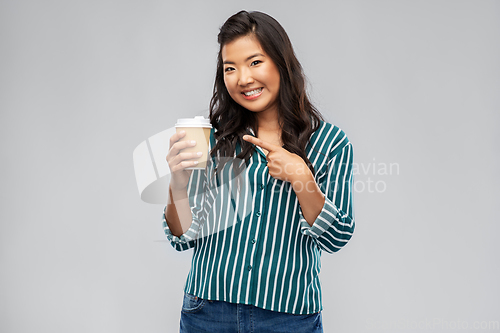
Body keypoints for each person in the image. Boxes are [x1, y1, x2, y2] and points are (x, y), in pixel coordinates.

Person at [163, 10, 355, 333]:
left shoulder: (330, 143)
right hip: (208, 313)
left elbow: (337, 236)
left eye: (255, 62)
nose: (243, 79)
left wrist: (302, 177)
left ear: (281, 62)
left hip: (287, 317)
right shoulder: (211, 138)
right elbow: (182, 238)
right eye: (230, 68)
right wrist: (177, 185)